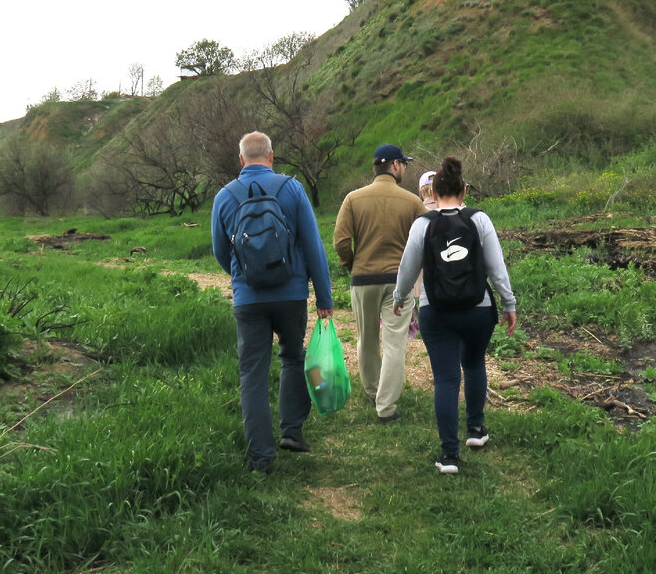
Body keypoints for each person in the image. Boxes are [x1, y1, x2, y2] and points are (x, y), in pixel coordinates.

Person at [212, 131, 334, 475]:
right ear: (271, 156)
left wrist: (240, 277)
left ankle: (261, 458)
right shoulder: (292, 188)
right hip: (291, 293)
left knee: (252, 375)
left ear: (241, 160)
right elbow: (313, 245)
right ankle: (291, 432)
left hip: (249, 299)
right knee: (294, 357)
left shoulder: (225, 196)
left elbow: (221, 250)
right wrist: (324, 296)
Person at [391, 156, 517, 475]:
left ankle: (449, 456)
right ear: (463, 192)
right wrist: (509, 304)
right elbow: (496, 268)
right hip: (479, 310)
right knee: (474, 363)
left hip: (437, 311)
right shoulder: (480, 220)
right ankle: (476, 431)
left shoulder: (423, 224)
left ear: (433, 191)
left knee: (446, 378)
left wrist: (400, 297)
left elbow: (407, 269)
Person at [332, 144, 426, 422]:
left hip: (363, 280)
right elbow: (425, 240)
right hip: (398, 283)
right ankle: (386, 408)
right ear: (395, 165)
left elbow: (340, 241)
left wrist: (351, 264)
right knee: (395, 343)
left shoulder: (353, 198)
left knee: (367, 339)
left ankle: (372, 391)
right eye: (404, 164)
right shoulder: (412, 202)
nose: (405, 169)